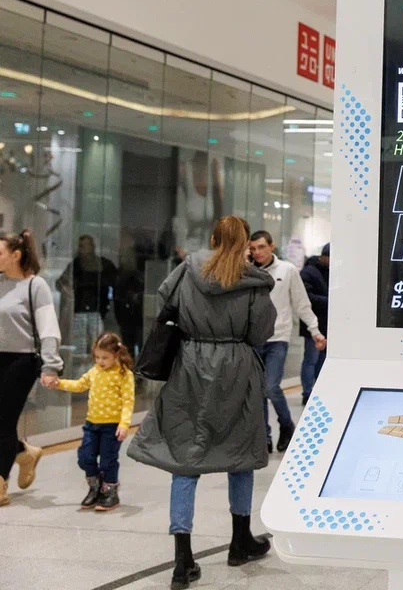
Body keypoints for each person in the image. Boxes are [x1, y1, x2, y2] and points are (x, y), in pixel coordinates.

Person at [128, 216, 276, 587]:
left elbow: (166, 306)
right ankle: (240, 541)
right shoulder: (255, 283)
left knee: (185, 459)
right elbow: (260, 332)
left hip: (190, 367)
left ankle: (183, 560)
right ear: (245, 244)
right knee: (240, 455)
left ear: (212, 239)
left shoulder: (186, 271)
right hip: (236, 369)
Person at [0, 230, 64, 507]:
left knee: (3, 422)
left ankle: (0, 483)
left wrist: (51, 366)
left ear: (16, 255)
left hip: (21, 361)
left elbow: (48, 329)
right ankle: (25, 454)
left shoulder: (35, 286)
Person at [249, 231, 324, 451]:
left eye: (261, 247)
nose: (257, 252)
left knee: (271, 386)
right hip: (253, 339)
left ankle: (286, 424)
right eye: (253, 248)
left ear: (271, 246)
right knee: (258, 390)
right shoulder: (247, 271)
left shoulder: (287, 270)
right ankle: (264, 435)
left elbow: (301, 303)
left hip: (278, 338)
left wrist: (315, 330)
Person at [51, 332, 135, 511]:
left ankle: (110, 490)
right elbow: (79, 385)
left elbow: (128, 401)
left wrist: (124, 424)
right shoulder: (94, 371)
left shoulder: (124, 374)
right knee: (85, 457)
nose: (100, 361)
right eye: (97, 357)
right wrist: (59, 383)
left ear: (116, 354)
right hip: (92, 424)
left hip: (112, 426)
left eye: (105, 358)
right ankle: (95, 486)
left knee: (107, 461)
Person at [56, 235, 118, 372]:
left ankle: (99, 373)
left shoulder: (104, 264)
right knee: (79, 347)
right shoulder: (76, 264)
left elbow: (115, 284)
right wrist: (69, 292)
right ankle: (81, 374)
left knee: (99, 345)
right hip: (79, 312)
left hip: (97, 312)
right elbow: (61, 283)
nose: (81, 249)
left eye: (84, 246)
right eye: (80, 246)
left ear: (92, 247)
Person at [299, 243, 331, 404]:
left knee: (321, 360)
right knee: (311, 359)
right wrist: (329, 301)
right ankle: (307, 392)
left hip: (325, 324)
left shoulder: (328, 271)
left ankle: (319, 390)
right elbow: (306, 298)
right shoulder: (309, 272)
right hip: (313, 324)